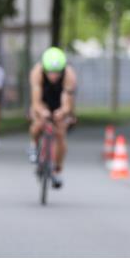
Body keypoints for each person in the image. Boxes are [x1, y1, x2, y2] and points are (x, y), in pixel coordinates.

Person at [28, 47, 77, 189]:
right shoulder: (36, 72)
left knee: (60, 132)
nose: (53, 75)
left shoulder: (69, 75)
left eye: (57, 72)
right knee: (38, 122)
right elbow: (36, 102)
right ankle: (33, 144)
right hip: (43, 98)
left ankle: (57, 169)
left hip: (59, 100)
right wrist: (42, 111)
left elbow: (67, 102)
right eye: (50, 72)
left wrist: (62, 112)